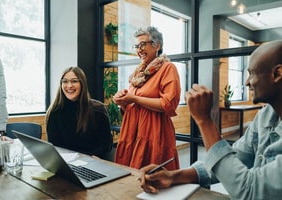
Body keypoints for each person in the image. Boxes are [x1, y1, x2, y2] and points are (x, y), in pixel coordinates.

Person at [140, 40, 282, 199]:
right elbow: (235, 159)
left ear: (277, 74)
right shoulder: (266, 115)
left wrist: (204, 120)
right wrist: (174, 176)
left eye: (253, 73)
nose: (247, 82)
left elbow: (250, 191)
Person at [113, 26, 181, 170]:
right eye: (137, 46)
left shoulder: (167, 68)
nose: (139, 50)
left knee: (153, 178)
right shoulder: (139, 73)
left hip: (154, 133)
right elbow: (131, 106)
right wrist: (123, 102)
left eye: (143, 44)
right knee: (128, 181)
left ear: (157, 45)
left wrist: (135, 99)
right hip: (132, 131)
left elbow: (168, 104)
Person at [46, 66, 113, 159]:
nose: (69, 86)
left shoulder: (98, 110)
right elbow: (54, 145)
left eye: (74, 81)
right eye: (65, 81)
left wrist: (89, 157)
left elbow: (106, 145)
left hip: (92, 161)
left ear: (82, 84)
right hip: (66, 162)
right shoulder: (54, 111)